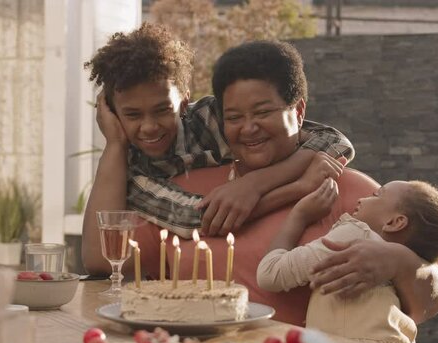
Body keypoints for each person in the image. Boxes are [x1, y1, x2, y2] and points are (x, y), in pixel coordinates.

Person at [83, 39, 438, 327]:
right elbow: (103, 258)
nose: (249, 128)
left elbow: (432, 297)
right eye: (234, 117)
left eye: (263, 112)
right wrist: (115, 144)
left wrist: (400, 262)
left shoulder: (346, 189)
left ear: (299, 112)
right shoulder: (188, 188)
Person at [83, 23, 353, 240]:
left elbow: (334, 141)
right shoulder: (130, 169)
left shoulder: (217, 118)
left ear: (184, 102)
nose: (150, 126)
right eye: (132, 115)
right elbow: (195, 218)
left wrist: (254, 184)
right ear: (113, 114)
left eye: (163, 110)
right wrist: (297, 188)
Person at [257, 179, 438, 343]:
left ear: (394, 222)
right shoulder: (399, 260)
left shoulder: (356, 234)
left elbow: (270, 274)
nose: (362, 198)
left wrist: (299, 215)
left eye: (375, 195)